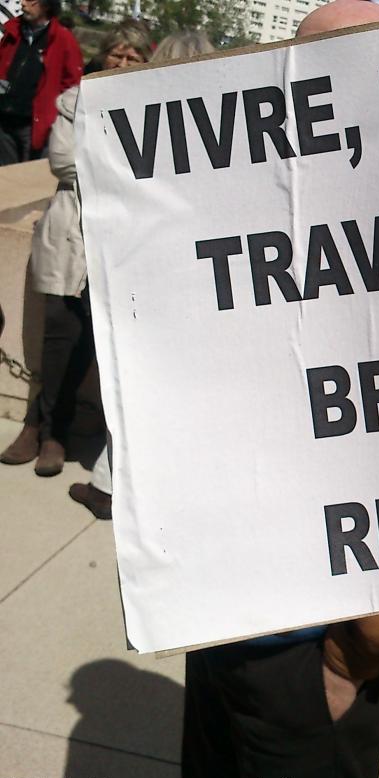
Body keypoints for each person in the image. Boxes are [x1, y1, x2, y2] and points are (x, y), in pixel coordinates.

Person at [180, 4, 379, 778]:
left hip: (318, 659)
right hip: (223, 617)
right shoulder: (244, 216)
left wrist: (353, 655)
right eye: (309, 65)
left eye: (359, 63)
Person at [67, 29, 214, 520]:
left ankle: (110, 487)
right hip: (196, 280)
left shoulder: (135, 119)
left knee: (135, 391)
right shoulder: (220, 123)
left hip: (143, 277)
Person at [0, 25, 150, 477]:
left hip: (121, 239)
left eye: (132, 59)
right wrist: (120, 169)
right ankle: (41, 429)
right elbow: (63, 162)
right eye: (116, 56)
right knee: (58, 336)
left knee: (97, 343)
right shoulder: (73, 102)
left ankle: (64, 430)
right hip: (71, 231)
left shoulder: (152, 107)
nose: (121, 65)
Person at [0, 0, 81, 165]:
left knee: (28, 179)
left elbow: (72, 85)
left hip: (33, 126)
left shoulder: (63, 39)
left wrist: (52, 116)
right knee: (5, 177)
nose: (22, 4)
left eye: (30, 0)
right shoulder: (12, 30)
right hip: (4, 120)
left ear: (46, 5)